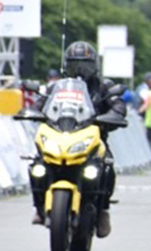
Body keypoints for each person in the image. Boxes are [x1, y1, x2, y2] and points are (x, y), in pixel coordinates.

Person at [31, 42, 126, 237]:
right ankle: (39, 206)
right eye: (75, 64)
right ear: (67, 65)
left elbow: (118, 106)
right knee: (37, 163)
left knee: (107, 165)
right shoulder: (56, 86)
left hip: (92, 135)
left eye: (85, 65)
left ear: (95, 65)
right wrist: (32, 111)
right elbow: (39, 103)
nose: (80, 70)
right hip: (59, 133)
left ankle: (103, 210)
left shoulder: (105, 86)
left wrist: (112, 116)